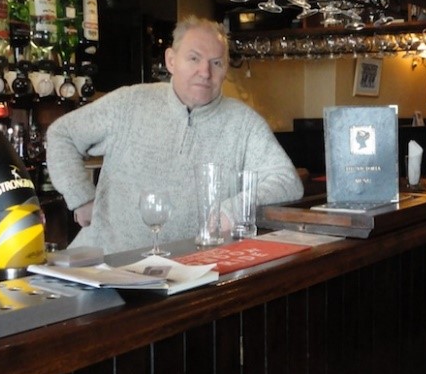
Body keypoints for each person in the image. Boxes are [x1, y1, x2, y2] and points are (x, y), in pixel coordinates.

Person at [46, 16, 303, 252]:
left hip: (190, 274)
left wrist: (233, 210)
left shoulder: (244, 123)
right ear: (171, 60)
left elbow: (286, 181)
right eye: (194, 58)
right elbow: (61, 134)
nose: (205, 72)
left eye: (216, 63)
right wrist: (80, 196)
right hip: (106, 265)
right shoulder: (129, 102)